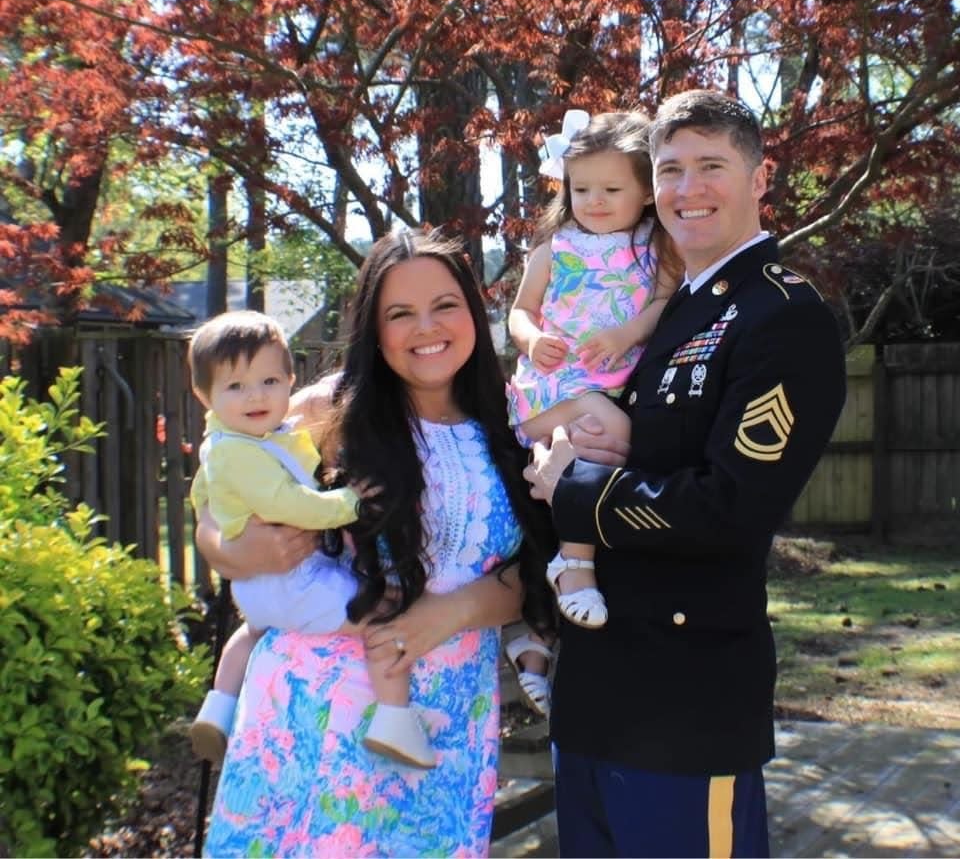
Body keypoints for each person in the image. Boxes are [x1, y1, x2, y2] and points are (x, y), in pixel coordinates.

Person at [524, 89, 847, 858]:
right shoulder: (664, 309)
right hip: (595, 691)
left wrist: (570, 490)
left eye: (712, 166)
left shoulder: (781, 315)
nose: (686, 190)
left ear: (760, 178)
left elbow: (729, 508)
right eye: (670, 169)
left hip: (684, 704)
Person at [198, 231, 553, 858]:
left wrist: (457, 611)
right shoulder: (327, 411)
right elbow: (216, 482)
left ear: (474, 310)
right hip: (317, 708)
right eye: (399, 313)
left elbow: (543, 567)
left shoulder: (517, 416)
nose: (426, 328)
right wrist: (227, 550)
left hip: (448, 717)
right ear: (373, 327)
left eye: (445, 305)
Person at [186, 310, 434, 769]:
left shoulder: (229, 445)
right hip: (293, 582)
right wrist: (349, 502)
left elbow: (201, 496)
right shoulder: (245, 452)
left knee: (251, 632)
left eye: (268, 381)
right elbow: (291, 505)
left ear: (289, 379)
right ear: (205, 395)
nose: (255, 396)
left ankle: (218, 708)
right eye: (235, 387)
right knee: (381, 614)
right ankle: (395, 721)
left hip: (258, 589)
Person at [503, 109, 682, 713]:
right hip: (549, 392)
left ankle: (534, 635)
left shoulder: (654, 246)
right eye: (583, 190)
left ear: (644, 192)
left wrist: (627, 333)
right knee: (584, 459)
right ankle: (571, 571)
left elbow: (663, 305)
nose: (596, 201)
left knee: (574, 483)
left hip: (607, 385)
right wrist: (531, 340)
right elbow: (520, 312)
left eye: (612, 189)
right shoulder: (555, 248)